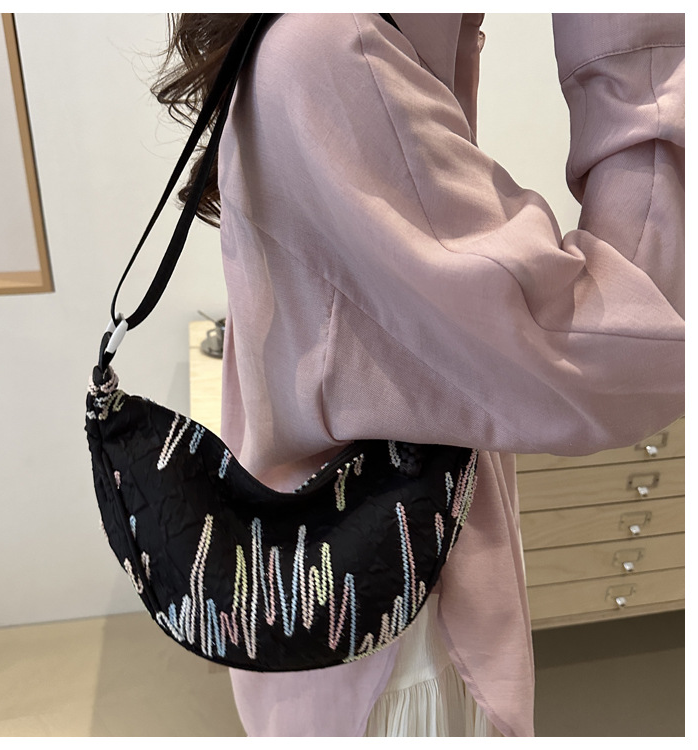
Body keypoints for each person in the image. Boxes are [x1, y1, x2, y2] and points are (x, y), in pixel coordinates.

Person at [153, 13, 685, 737]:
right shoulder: (337, 46)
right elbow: (621, 355)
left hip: (342, 613)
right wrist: (632, 49)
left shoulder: (302, 37)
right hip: (399, 641)